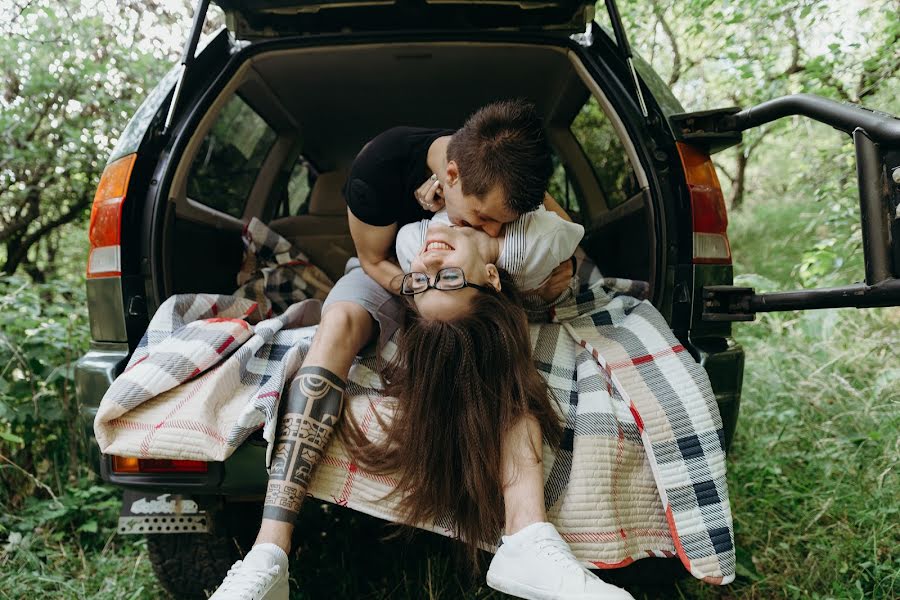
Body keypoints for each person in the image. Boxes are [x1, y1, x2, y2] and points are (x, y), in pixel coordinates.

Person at [210, 100, 604, 600]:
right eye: (482, 217)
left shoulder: (503, 172)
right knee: (340, 322)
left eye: (499, 225)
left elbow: (560, 244)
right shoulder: (377, 176)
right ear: (453, 176)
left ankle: (528, 537)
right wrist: (423, 286)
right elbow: (371, 261)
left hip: (466, 288)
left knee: (498, 347)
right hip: (392, 275)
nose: (488, 231)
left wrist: (538, 279)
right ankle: (268, 555)